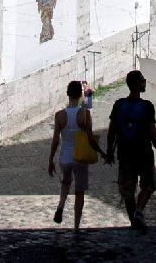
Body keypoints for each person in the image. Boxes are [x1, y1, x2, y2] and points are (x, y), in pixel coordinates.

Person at [105, 69, 156, 229]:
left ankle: (134, 222)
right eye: (142, 80)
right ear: (138, 84)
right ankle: (139, 212)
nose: (145, 82)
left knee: (127, 190)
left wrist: (109, 151)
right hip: (144, 153)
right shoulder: (147, 106)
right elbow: (152, 133)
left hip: (125, 153)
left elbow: (111, 130)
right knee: (149, 184)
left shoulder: (119, 105)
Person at [48, 79, 102, 229]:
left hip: (64, 157)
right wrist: (102, 152)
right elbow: (90, 139)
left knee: (65, 181)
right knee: (79, 191)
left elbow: (55, 140)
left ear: (67, 94)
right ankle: (76, 225)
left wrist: (50, 160)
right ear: (80, 95)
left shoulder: (59, 115)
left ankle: (60, 205)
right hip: (80, 157)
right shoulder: (84, 114)